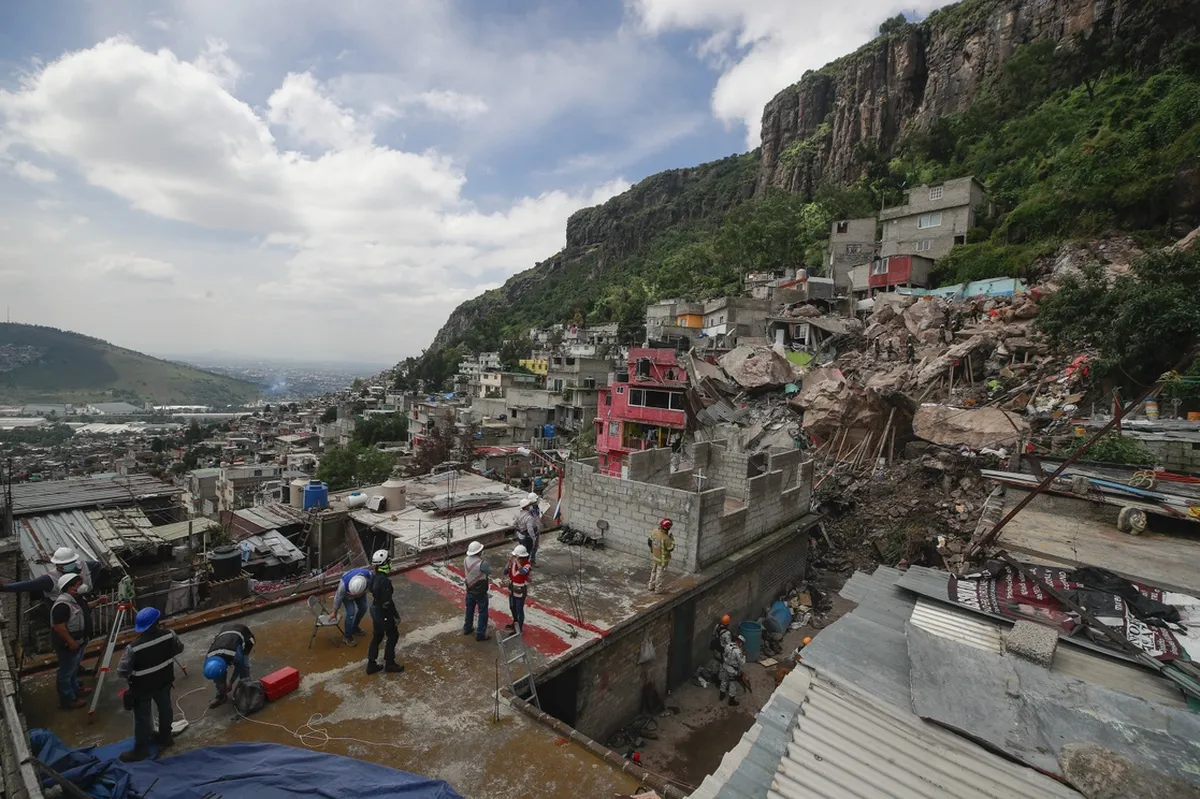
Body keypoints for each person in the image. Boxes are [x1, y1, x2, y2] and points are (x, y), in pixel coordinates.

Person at [4, 547, 103, 677]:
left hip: (78, 607)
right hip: (64, 614)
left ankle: (76, 670)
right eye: (62, 565)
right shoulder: (52, 582)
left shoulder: (83, 567)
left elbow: (97, 565)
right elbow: (28, 585)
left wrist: (91, 591)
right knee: (67, 649)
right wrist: (5, 588)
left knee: (80, 644)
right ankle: (69, 682)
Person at [116, 607, 184, 762]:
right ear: (157, 622)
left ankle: (141, 750)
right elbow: (179, 649)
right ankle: (166, 738)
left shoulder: (133, 648)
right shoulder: (169, 635)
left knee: (142, 717)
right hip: (165, 681)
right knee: (165, 709)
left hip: (142, 688)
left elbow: (122, 671)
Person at [50, 573, 98, 709]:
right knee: (66, 672)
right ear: (70, 588)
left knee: (73, 669)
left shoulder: (76, 599)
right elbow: (59, 627)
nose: (83, 586)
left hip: (79, 642)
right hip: (67, 645)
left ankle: (76, 689)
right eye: (79, 584)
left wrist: (98, 602)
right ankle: (68, 699)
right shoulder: (62, 606)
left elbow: (84, 609)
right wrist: (71, 642)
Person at [366, 549, 404, 676]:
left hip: (375, 610)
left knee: (377, 637)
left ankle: (371, 664)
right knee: (393, 636)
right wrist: (395, 616)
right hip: (383, 613)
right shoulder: (385, 581)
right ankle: (390, 663)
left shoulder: (374, 576)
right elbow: (387, 602)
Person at [203, 622, 255, 709]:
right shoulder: (209, 658)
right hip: (226, 636)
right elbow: (217, 673)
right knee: (218, 677)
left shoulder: (235, 654)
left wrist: (230, 682)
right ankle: (221, 696)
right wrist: (224, 683)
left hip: (245, 637)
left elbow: (239, 667)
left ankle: (247, 691)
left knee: (244, 669)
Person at [329, 566, 371, 646]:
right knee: (351, 613)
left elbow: (373, 587)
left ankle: (354, 628)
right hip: (347, 595)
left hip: (361, 591)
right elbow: (338, 598)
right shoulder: (343, 586)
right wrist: (335, 612)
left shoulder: (369, 575)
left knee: (364, 607)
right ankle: (347, 636)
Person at [462, 541, 491, 641]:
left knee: (469, 610)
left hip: (469, 590)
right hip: (480, 592)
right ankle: (480, 634)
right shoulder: (482, 563)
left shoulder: (465, 560)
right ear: (479, 551)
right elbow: (489, 572)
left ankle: (467, 628)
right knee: (482, 612)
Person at [505, 545, 532, 635]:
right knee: (512, 607)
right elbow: (505, 572)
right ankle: (515, 622)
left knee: (519, 609)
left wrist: (517, 562)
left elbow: (522, 572)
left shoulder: (527, 564)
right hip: (512, 588)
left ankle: (519, 628)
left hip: (520, 589)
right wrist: (509, 562)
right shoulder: (513, 564)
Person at [647, 519, 675, 594]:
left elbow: (649, 542)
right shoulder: (666, 538)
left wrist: (653, 550)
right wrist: (672, 539)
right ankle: (658, 589)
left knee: (654, 571)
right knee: (660, 574)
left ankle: (651, 585)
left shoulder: (655, 531)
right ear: (667, 528)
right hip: (662, 560)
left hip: (655, 556)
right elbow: (671, 548)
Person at [719, 634, 747, 707]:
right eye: (742, 644)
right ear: (740, 643)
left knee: (724, 680)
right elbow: (742, 663)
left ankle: (722, 695)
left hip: (725, 666)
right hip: (732, 670)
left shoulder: (728, 645)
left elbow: (724, 654)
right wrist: (744, 655)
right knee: (733, 684)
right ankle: (731, 700)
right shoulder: (738, 651)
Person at [513, 496, 540, 564]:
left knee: (522, 550)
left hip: (521, 535)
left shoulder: (518, 514)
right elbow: (530, 529)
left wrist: (520, 529)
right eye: (529, 505)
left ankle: (520, 563)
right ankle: (524, 565)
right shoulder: (529, 517)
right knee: (527, 552)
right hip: (528, 536)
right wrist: (533, 539)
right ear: (527, 506)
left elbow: (514, 524)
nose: (530, 506)